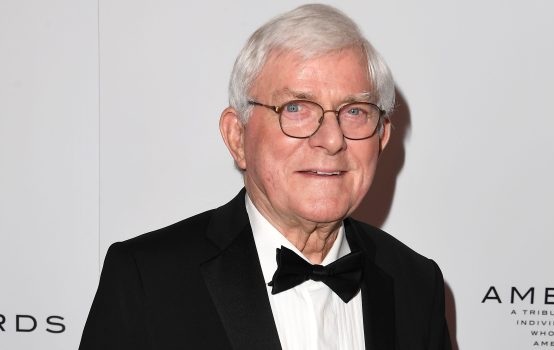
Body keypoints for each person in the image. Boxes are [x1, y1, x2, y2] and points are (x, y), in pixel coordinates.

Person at [79, 4, 452, 350]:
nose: (332, 139)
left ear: (382, 137)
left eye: (355, 111)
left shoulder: (417, 285)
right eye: (296, 108)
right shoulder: (147, 279)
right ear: (237, 136)